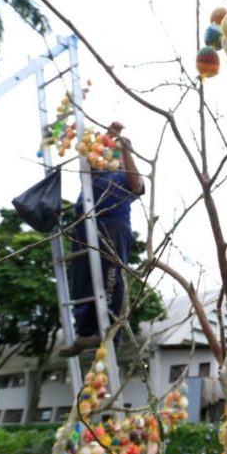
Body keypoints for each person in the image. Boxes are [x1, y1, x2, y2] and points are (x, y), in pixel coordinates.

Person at [59, 121, 145, 357]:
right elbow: (86, 160)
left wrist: (126, 148)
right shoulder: (94, 176)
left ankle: (109, 332)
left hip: (113, 225)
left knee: (110, 276)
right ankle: (85, 333)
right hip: (85, 225)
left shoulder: (123, 175)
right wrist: (109, 134)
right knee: (82, 278)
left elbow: (137, 185)